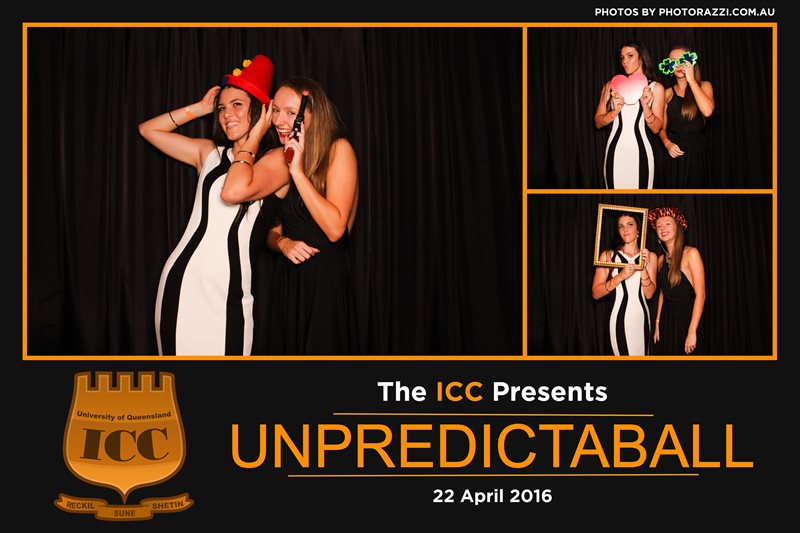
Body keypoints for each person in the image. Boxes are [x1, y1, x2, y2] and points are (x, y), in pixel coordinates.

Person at [139, 54, 289, 355]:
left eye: (237, 105)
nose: (226, 114)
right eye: (222, 108)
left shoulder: (278, 160)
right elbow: (148, 130)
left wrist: (256, 135)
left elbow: (233, 191)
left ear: (260, 111)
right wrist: (200, 108)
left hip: (230, 295)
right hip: (181, 284)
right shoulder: (209, 154)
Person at [238, 76, 359, 354]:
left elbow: (335, 229)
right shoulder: (280, 156)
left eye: (291, 112)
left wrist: (298, 172)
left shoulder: (337, 150)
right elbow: (271, 231)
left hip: (325, 284)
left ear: (313, 115)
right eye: (276, 110)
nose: (279, 120)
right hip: (288, 282)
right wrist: (283, 243)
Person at [594, 40, 665, 189]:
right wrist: (614, 112)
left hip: (642, 153)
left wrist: (645, 106)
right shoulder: (611, 86)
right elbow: (598, 123)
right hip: (615, 153)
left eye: (630, 55)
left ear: (641, 57)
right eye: (622, 57)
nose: (624, 61)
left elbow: (656, 128)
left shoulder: (656, 88)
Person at [592, 211, 658, 355]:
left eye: (630, 225)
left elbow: (649, 294)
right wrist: (620, 277)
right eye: (621, 226)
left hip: (642, 319)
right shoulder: (608, 256)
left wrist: (643, 269)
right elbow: (596, 293)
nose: (625, 229)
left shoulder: (650, 256)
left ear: (639, 230)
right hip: (619, 319)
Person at [649, 206, 705, 355]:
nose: (662, 228)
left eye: (667, 223)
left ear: (677, 228)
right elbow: (663, 293)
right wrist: (657, 323)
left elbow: (701, 295)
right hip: (666, 322)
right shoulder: (660, 260)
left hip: (687, 321)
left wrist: (692, 331)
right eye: (659, 226)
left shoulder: (691, 253)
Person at [657, 45, 715, 188]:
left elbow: (707, 111)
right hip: (674, 152)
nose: (678, 65)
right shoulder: (667, 93)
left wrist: (691, 80)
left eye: (682, 61)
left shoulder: (704, 86)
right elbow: (661, 127)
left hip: (697, 152)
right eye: (673, 61)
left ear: (691, 62)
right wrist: (667, 143)